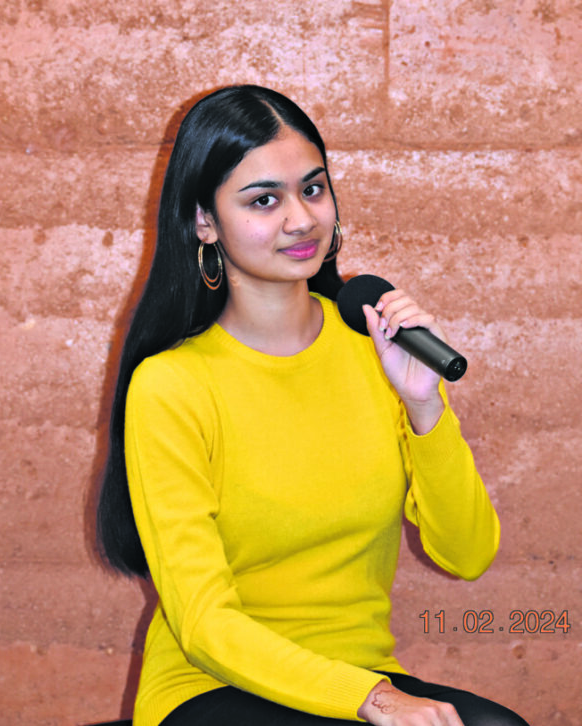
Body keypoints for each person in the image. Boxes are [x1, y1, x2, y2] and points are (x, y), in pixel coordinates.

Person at [96, 85, 530, 726]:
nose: (300, 219)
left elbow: (467, 554)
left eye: (314, 188)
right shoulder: (172, 386)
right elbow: (204, 624)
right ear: (203, 220)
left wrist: (423, 405)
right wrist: (372, 699)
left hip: (359, 678)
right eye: (264, 200)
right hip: (211, 686)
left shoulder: (375, 350)